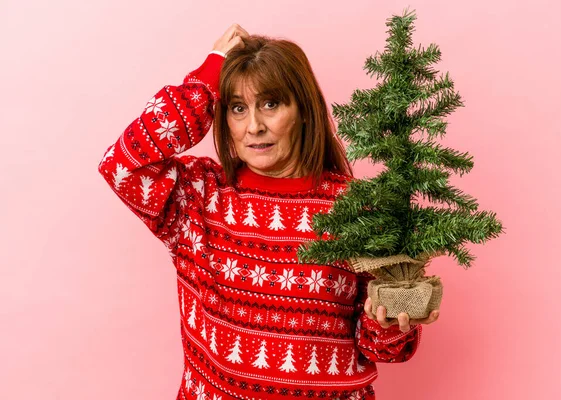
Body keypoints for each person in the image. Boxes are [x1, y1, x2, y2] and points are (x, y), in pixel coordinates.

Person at [98, 24, 439, 400]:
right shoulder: (198, 196)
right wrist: (207, 79)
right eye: (238, 108)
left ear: (304, 111)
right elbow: (121, 165)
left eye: (271, 104)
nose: (254, 126)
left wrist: (391, 323)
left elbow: (380, 349)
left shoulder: (357, 208)